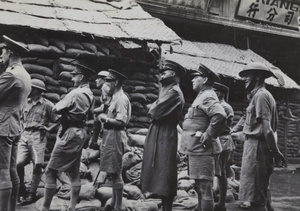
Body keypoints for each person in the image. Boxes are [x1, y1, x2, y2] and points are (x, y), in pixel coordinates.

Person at [40, 60, 95, 211]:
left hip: (69, 133)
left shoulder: (76, 93)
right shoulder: (90, 94)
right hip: (80, 133)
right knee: (74, 172)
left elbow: (57, 109)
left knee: (50, 171)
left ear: (82, 77)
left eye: (75, 75)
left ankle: (44, 207)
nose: (72, 78)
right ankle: (72, 207)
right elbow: (91, 116)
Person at [238, 62, 286, 211]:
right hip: (255, 147)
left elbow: (267, 130)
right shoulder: (259, 95)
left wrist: (276, 152)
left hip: (257, 149)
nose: (244, 78)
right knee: (261, 193)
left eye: (248, 75)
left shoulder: (261, 96)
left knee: (255, 199)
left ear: (258, 76)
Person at [140, 60, 186, 211]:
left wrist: (151, 107)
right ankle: (165, 205)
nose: (161, 75)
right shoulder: (166, 89)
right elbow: (157, 107)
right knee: (158, 169)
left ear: (173, 74)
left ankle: (168, 207)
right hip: (160, 131)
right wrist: (154, 107)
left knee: (166, 172)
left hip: (165, 133)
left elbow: (156, 111)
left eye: (164, 73)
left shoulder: (174, 92)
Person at [180, 64, 226, 211]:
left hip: (204, 149)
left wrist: (209, 134)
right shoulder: (202, 96)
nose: (193, 80)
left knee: (206, 187)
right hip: (197, 148)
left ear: (205, 79)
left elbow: (220, 115)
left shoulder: (207, 96)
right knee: (200, 186)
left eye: (196, 77)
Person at [0, 35, 31, 211]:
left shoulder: (10, 75)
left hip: (3, 127)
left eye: (2, 53)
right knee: (11, 170)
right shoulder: (25, 74)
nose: (0, 57)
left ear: (10, 52)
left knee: (2, 171)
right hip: (15, 126)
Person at [17, 79, 59, 205]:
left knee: (37, 164)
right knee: (18, 163)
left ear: (37, 90)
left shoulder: (47, 105)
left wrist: (49, 128)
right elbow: (19, 117)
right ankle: (21, 190)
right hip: (24, 135)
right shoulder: (25, 102)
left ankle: (32, 193)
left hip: (38, 137)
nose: (29, 90)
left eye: (31, 88)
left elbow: (58, 120)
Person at [97, 69, 131, 211]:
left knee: (116, 172)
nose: (106, 83)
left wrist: (106, 118)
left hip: (116, 135)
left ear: (116, 82)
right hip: (110, 135)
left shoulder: (121, 99)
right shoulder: (115, 97)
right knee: (113, 171)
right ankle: (113, 203)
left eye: (109, 81)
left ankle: (117, 206)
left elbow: (121, 122)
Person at [212, 82, 234, 211]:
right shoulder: (220, 105)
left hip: (223, 140)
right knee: (220, 172)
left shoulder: (224, 107)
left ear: (220, 93)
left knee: (221, 173)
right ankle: (219, 201)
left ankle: (221, 203)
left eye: (215, 91)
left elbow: (219, 126)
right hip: (220, 140)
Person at [89, 70, 111, 150]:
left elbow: (107, 105)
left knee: (98, 117)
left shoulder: (105, 87)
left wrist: (93, 111)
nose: (96, 80)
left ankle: (95, 141)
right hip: (107, 110)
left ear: (104, 80)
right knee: (95, 115)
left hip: (110, 113)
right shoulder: (105, 87)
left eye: (98, 78)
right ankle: (94, 141)